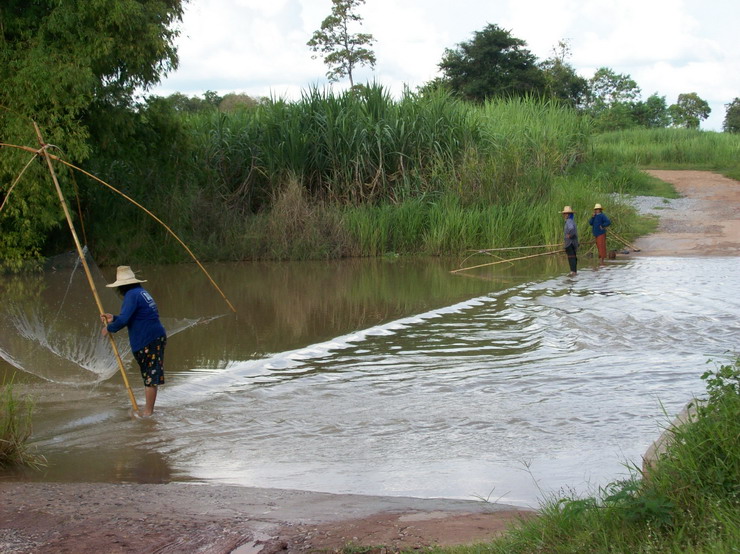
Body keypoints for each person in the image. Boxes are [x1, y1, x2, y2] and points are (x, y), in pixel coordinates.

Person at [101, 266, 167, 417]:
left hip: (149, 339)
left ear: (122, 286)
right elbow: (133, 317)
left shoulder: (132, 295)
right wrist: (114, 318)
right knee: (151, 374)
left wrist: (109, 328)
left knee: (150, 375)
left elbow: (125, 320)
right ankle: (149, 410)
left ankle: (148, 413)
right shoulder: (141, 293)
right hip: (155, 336)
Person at [561, 206, 579, 276]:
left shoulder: (569, 221)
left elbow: (571, 229)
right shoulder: (571, 221)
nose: (564, 215)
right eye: (564, 214)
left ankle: (573, 272)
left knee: (571, 257)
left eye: (565, 214)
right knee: (573, 257)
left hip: (570, 243)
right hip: (573, 243)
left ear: (568, 215)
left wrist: (569, 235)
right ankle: (574, 271)